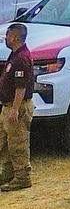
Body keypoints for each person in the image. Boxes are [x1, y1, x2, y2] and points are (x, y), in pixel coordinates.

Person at [0, 22, 36, 192]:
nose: (5, 39)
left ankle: (22, 177)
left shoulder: (21, 59)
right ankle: (7, 174)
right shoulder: (15, 55)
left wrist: (14, 109)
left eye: (7, 35)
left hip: (18, 108)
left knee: (18, 143)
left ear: (14, 37)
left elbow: (20, 87)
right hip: (8, 106)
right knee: (6, 143)